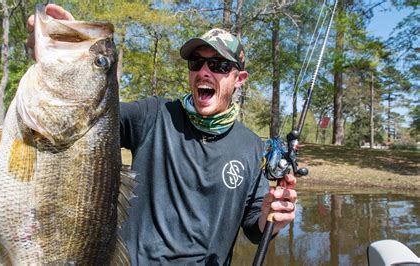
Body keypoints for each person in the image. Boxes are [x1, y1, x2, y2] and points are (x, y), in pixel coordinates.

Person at [27, 4, 297, 265]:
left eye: (218, 65)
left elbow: (254, 229)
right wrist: (71, 56)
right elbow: (86, 115)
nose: (204, 71)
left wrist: (273, 218)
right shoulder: (155, 114)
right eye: (196, 62)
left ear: (239, 79)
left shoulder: (250, 146)